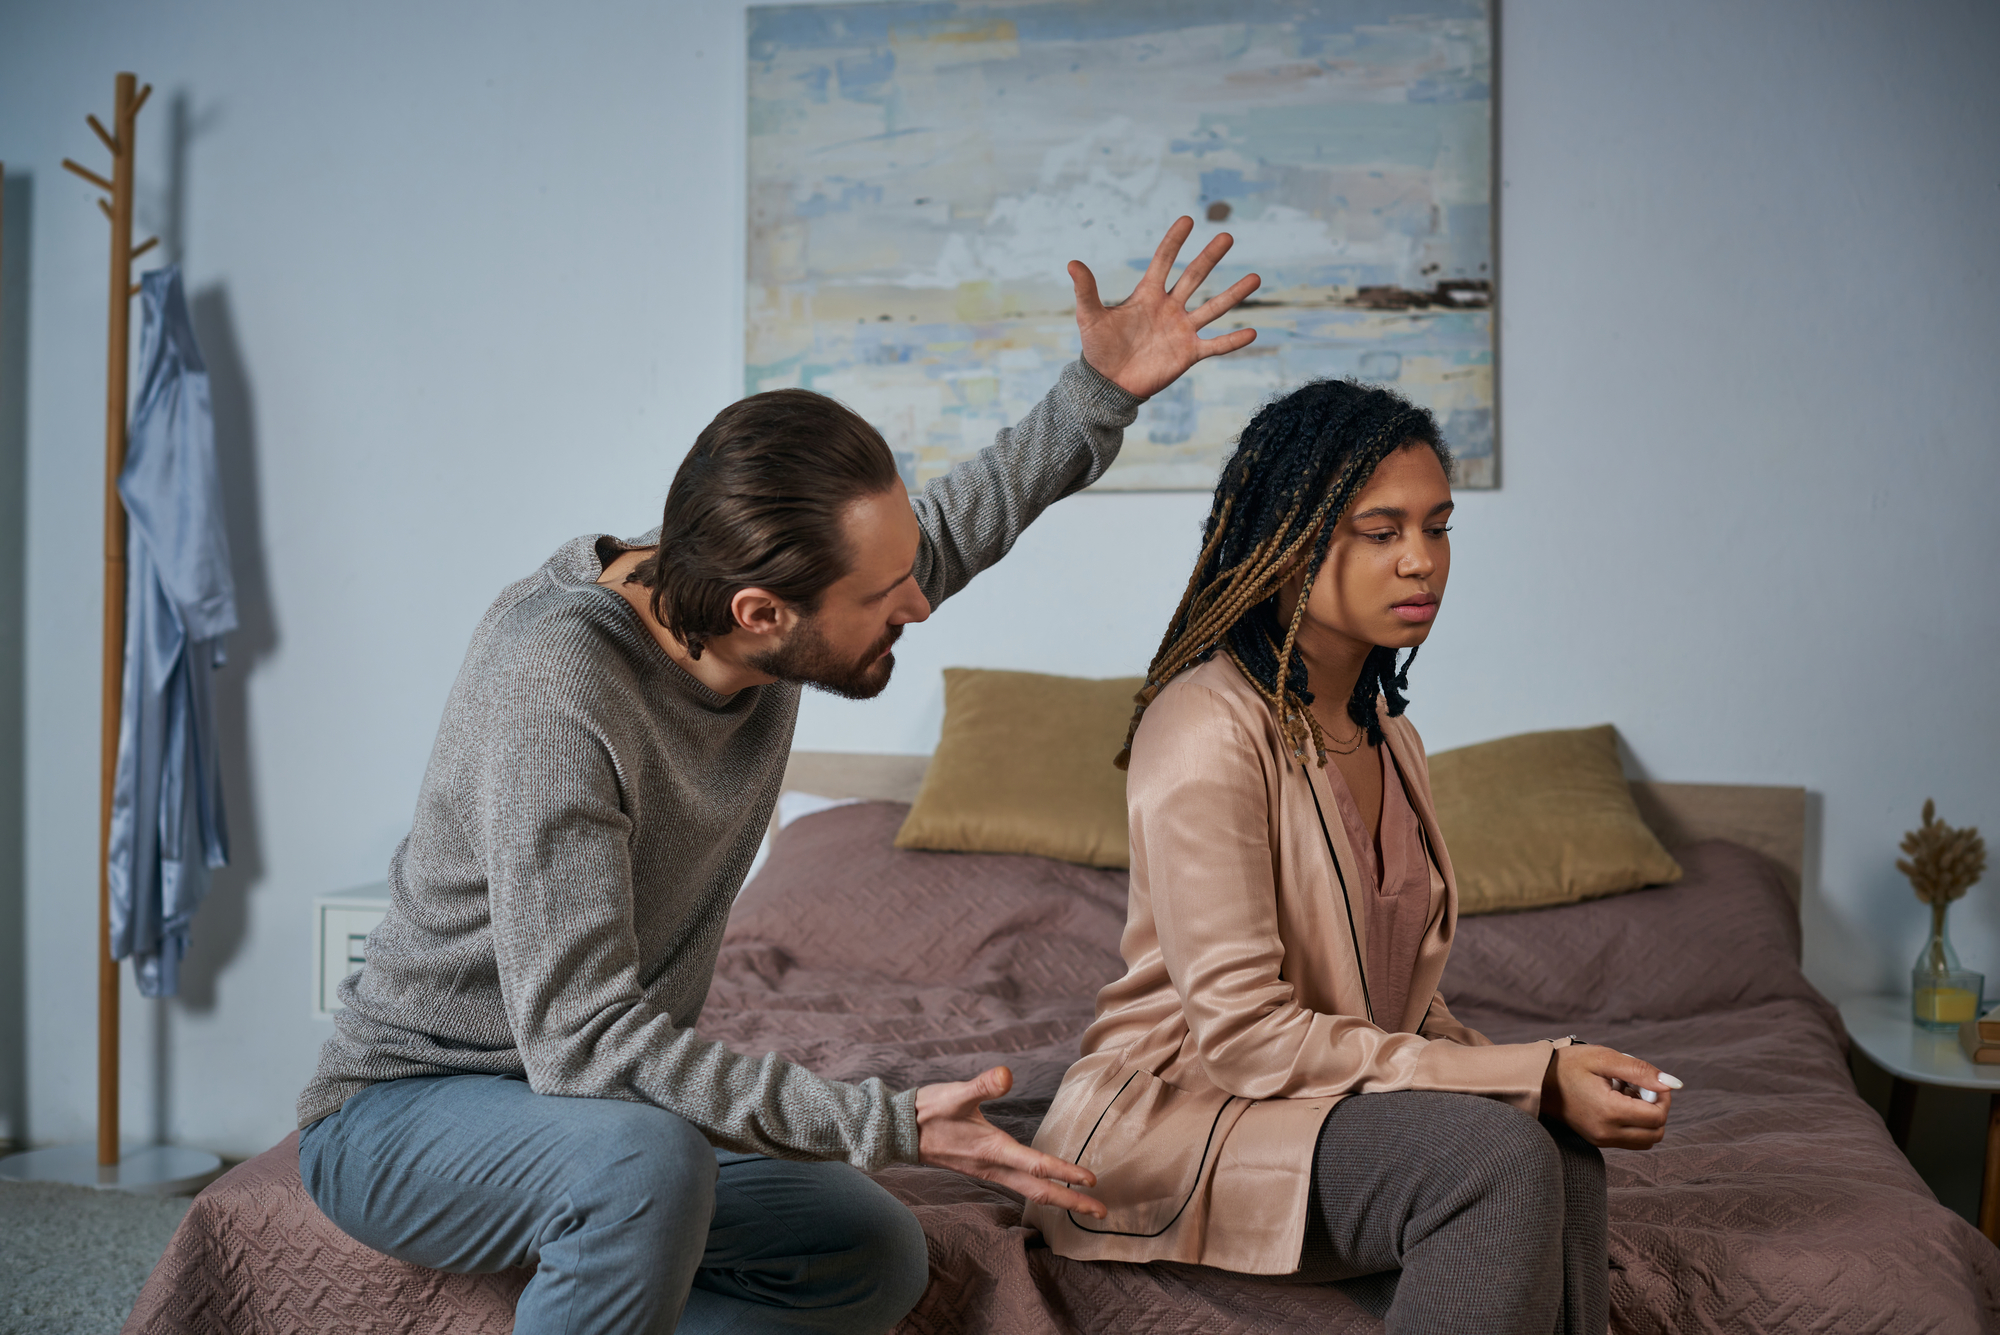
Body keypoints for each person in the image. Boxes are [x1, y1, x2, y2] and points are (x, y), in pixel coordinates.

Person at [293, 218, 1260, 1335]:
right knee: (640, 1163)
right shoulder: (556, 688)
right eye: (888, 594)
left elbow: (944, 531)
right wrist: (886, 1122)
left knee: (866, 1250)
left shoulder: (753, 592)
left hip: (583, 1113)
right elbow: (586, 1047)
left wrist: (1096, 393)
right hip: (406, 1115)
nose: (917, 603)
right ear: (764, 615)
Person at [1025, 380, 1682, 1334]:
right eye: (1381, 531)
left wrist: (1548, 1074)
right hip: (1186, 1117)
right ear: (1287, 541)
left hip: (1319, 1105)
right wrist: (1528, 1072)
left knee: (1559, 1146)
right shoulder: (1206, 725)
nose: (1422, 561)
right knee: (1498, 1158)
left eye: (1438, 527)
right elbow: (1246, 1036)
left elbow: (1400, 1000)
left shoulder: (1386, 731)